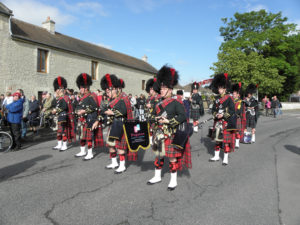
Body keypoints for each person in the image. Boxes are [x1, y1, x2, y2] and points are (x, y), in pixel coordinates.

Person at [147, 65, 192, 190]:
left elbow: (183, 116)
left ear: (170, 89)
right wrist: (154, 119)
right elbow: (152, 116)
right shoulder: (157, 103)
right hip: (159, 133)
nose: (161, 90)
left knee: (172, 158)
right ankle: (157, 176)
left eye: (164, 88)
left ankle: (173, 180)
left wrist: (169, 120)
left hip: (170, 134)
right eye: (160, 88)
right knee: (158, 155)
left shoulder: (176, 102)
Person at [99, 73, 137, 173]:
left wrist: (111, 112)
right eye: (106, 91)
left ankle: (122, 165)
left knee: (120, 147)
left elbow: (124, 110)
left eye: (108, 90)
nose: (107, 92)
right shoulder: (111, 99)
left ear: (114, 89)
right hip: (113, 124)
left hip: (122, 125)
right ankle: (114, 162)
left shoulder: (123, 97)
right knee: (111, 145)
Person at [74, 73, 104, 160]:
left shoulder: (92, 96)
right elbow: (80, 106)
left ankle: (90, 153)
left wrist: (84, 111)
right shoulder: (83, 96)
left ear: (85, 88)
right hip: (83, 119)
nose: (80, 89)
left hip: (90, 118)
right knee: (82, 136)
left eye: (80, 88)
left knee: (89, 137)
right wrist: (77, 111)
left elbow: (95, 107)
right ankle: (82, 151)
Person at [209, 73, 236, 165]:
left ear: (225, 88)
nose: (219, 90)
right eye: (219, 88)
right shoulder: (216, 98)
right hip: (217, 122)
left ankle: (225, 158)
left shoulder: (229, 98)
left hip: (225, 122)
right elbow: (213, 110)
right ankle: (216, 156)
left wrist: (223, 115)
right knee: (217, 140)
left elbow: (232, 110)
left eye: (221, 88)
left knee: (226, 141)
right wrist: (216, 114)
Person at [52, 76, 76, 151]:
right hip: (60, 116)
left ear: (61, 90)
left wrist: (56, 110)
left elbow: (64, 107)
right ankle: (59, 144)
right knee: (59, 131)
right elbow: (55, 105)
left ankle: (64, 145)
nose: (56, 91)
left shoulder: (65, 97)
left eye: (58, 90)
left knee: (63, 131)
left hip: (66, 117)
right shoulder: (59, 98)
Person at [231, 83, 246, 148]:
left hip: (237, 118)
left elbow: (240, 110)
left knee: (237, 131)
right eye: (233, 94)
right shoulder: (230, 101)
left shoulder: (240, 102)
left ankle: (237, 143)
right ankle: (232, 142)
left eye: (234, 94)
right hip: (231, 118)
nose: (233, 95)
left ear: (238, 94)